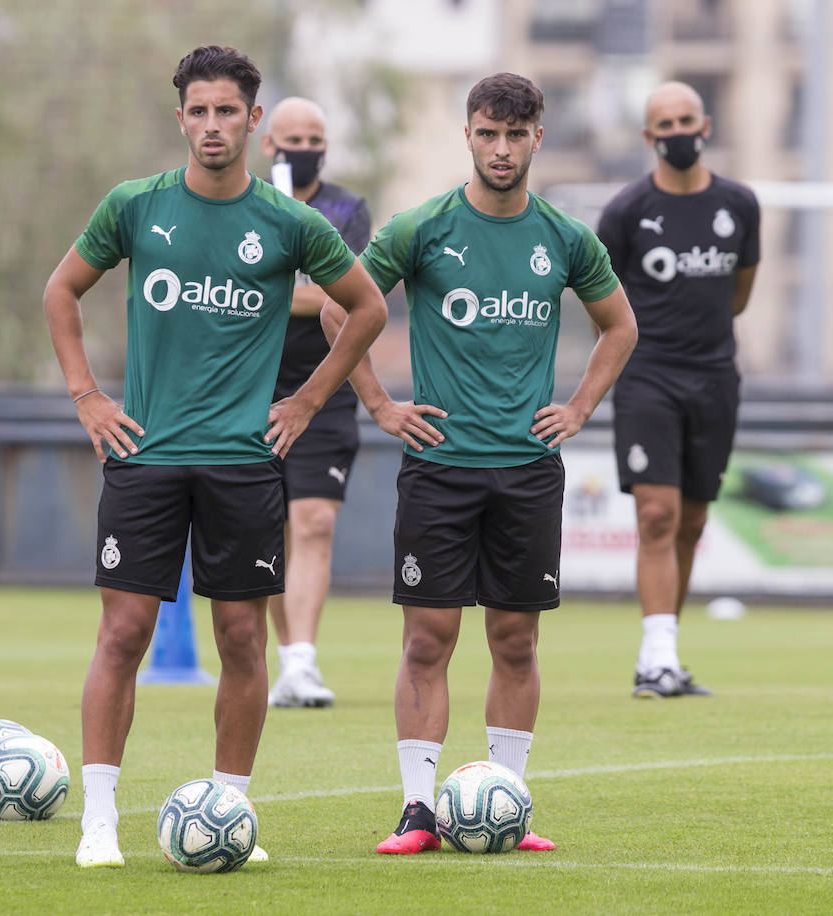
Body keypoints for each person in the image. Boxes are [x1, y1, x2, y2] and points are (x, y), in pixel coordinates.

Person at [42, 46, 388, 868]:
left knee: (241, 639)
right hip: (147, 456)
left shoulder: (291, 223)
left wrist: (307, 400)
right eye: (197, 111)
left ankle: (229, 807)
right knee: (122, 634)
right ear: (180, 120)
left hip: (243, 463)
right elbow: (60, 291)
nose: (211, 126)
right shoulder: (134, 207)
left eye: (226, 111)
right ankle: (99, 820)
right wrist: (88, 395)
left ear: (253, 122)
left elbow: (367, 307)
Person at [324, 72, 637, 855]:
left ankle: (509, 801)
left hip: (528, 469)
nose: (502, 149)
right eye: (488, 134)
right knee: (428, 638)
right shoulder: (422, 226)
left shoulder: (565, 238)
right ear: (468, 135)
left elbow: (620, 327)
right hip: (441, 465)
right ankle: (418, 810)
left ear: (539, 137)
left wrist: (579, 407)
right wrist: (381, 404)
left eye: (517, 134)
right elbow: (341, 304)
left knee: (516, 640)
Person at [596, 81, 760, 699]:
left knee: (692, 519)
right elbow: (602, 304)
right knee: (656, 512)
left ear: (706, 125)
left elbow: (739, 292)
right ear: (648, 136)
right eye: (664, 124)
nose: (677, 132)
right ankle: (654, 657)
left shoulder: (740, 204)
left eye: (686, 119)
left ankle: (668, 651)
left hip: (717, 377)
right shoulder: (625, 211)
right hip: (648, 377)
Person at [259, 97, 373, 708]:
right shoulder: (249, 204)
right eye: (292, 138)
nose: (304, 147)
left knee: (315, 521)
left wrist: (276, 286)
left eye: (315, 137)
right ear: (268, 146)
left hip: (326, 387)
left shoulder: (346, 209)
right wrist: (298, 286)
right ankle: (287, 661)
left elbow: (345, 294)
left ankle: (303, 659)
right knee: (267, 532)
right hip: (250, 390)